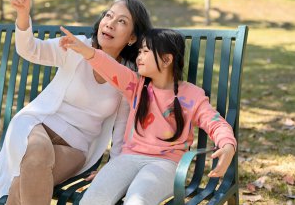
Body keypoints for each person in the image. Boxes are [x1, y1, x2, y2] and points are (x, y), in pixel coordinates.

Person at [0, 0, 152, 205]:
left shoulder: (127, 76)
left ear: (132, 38)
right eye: (109, 15)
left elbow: (121, 130)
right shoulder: (77, 47)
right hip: (37, 126)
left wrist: (113, 169)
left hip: (76, 148)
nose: (110, 24)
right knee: (36, 156)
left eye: (121, 22)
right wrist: (23, 14)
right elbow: (31, 50)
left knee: (26, 179)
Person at [59, 27, 237, 205]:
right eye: (139, 52)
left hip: (166, 165)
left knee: (137, 201)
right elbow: (109, 66)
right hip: (127, 159)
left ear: (166, 59)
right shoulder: (135, 85)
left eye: (145, 51)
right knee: (93, 199)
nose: (139, 57)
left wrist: (228, 145)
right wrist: (85, 50)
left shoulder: (192, 95)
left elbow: (216, 123)